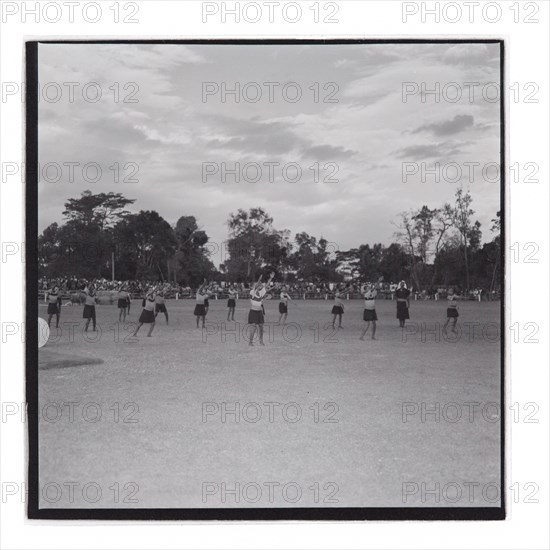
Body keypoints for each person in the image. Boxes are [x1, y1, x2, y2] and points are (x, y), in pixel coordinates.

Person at [248, 273, 275, 346]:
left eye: (260, 285)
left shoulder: (261, 292)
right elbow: (256, 286)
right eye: (257, 285)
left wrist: (271, 278)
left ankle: (261, 340)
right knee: (253, 328)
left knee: (261, 327)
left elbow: (266, 286)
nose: (259, 285)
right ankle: (250, 342)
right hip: (253, 312)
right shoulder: (252, 292)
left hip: (259, 312)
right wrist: (259, 280)